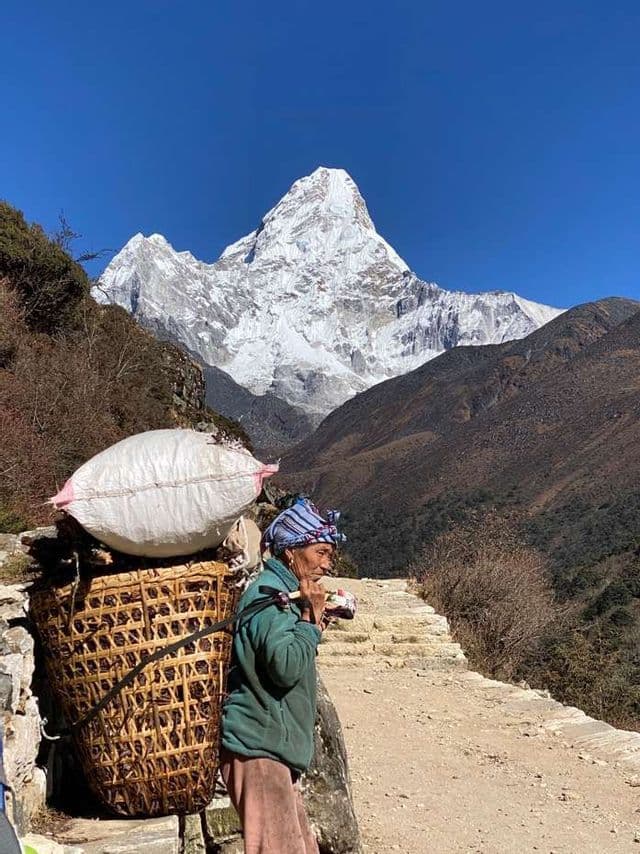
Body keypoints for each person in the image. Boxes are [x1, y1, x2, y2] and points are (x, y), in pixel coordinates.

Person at [220, 498, 346, 854]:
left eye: (329, 554)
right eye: (320, 552)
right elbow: (285, 666)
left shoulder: (285, 596)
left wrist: (311, 618)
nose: (326, 563)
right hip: (258, 749)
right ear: (291, 551)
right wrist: (309, 621)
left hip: (271, 750)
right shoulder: (269, 598)